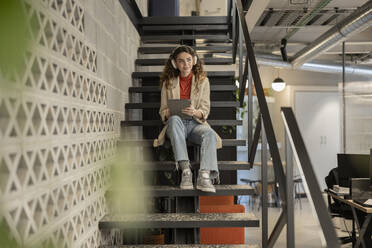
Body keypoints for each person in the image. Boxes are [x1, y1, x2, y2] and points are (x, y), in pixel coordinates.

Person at [153, 45, 222, 193]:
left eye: (189, 60)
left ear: (194, 61)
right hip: (176, 124)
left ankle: (204, 176)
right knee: (173, 120)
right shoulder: (168, 83)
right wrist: (169, 112)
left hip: (195, 123)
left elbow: (205, 110)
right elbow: (162, 111)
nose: (186, 64)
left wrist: (195, 112)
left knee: (209, 133)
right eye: (181, 61)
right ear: (175, 63)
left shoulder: (203, 82)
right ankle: (186, 171)